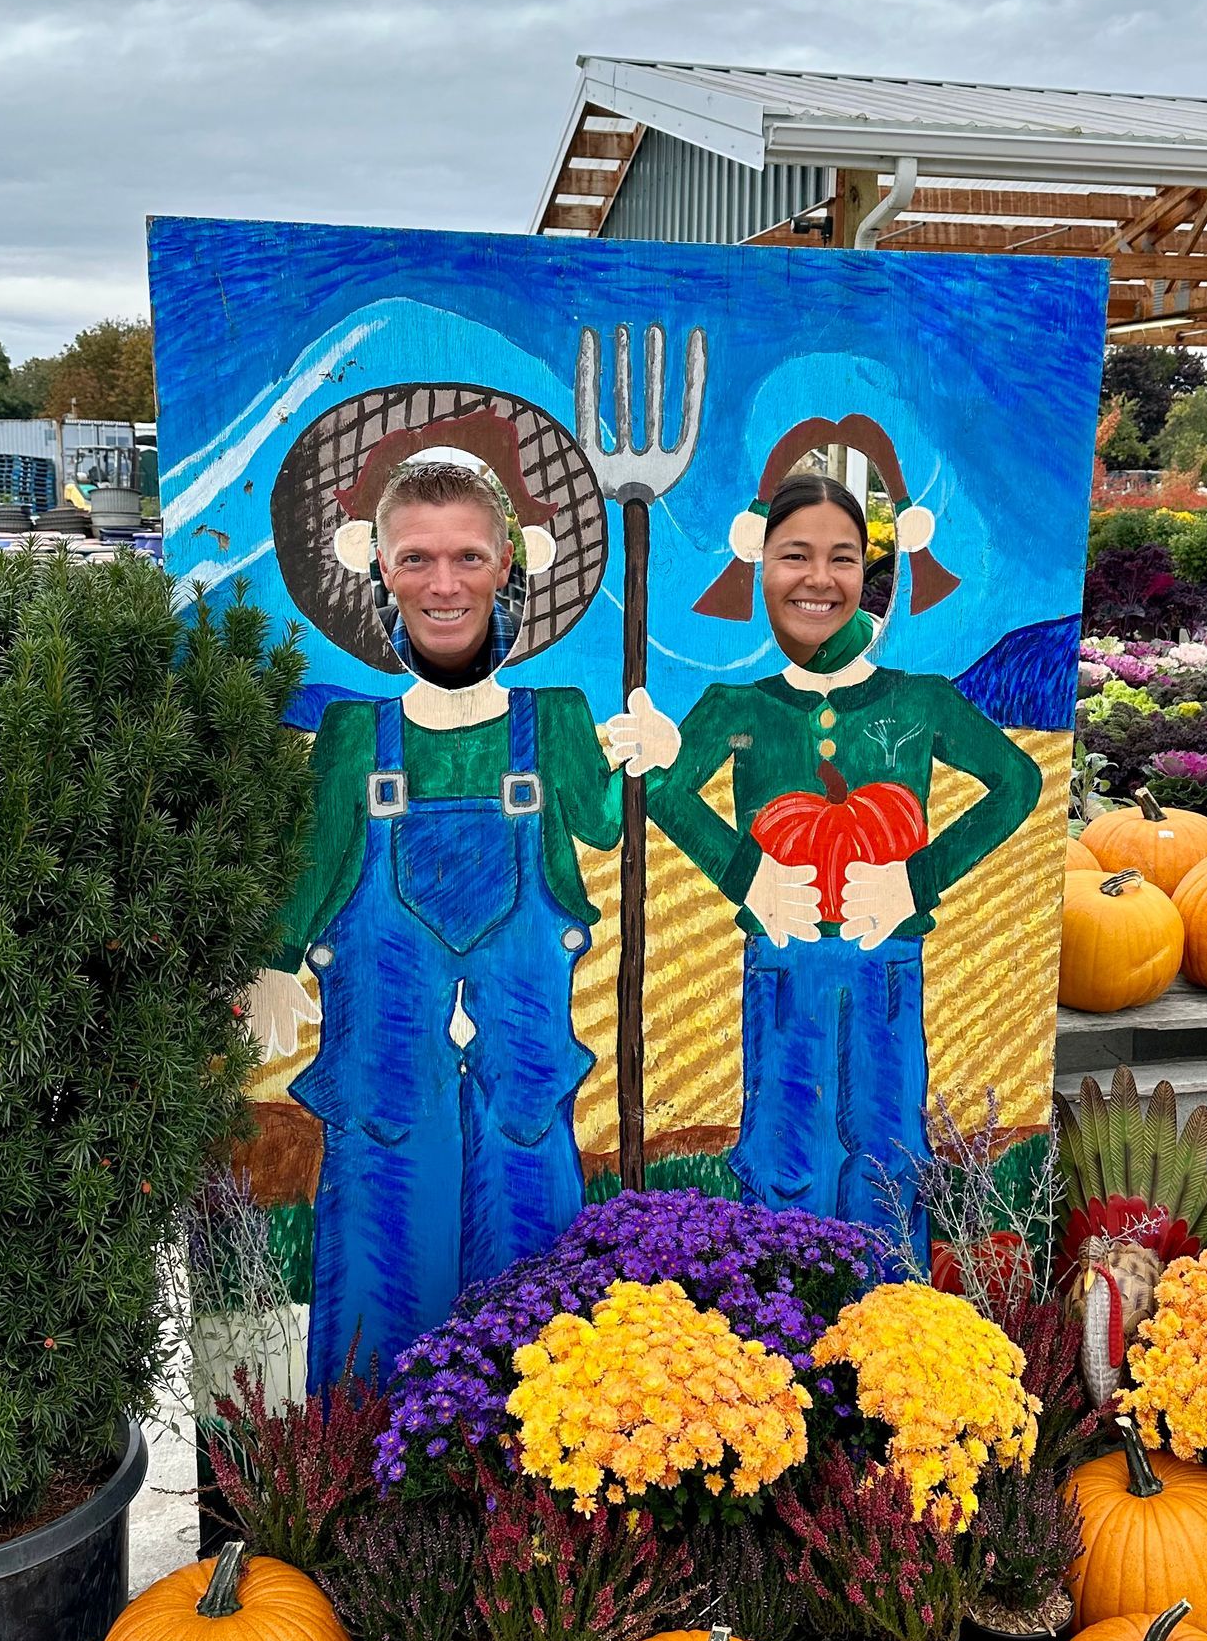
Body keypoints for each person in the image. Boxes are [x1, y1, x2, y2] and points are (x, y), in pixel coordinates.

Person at [244, 444, 627, 1388]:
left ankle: (544, 1464)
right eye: (415, 557)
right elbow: (314, 876)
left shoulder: (560, 720)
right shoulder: (350, 740)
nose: (442, 582)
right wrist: (272, 963)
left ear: (511, 565)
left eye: (468, 556)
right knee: (382, 1252)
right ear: (378, 567)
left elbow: (611, 823)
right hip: (383, 1082)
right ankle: (372, 1468)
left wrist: (651, 747)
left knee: (536, 1275)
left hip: (526, 1089)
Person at [638, 463, 1041, 1266]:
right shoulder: (738, 706)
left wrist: (917, 878)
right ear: (760, 564)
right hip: (779, 968)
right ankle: (784, 1328)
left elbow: (1018, 782)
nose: (818, 578)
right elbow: (664, 793)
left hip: (887, 967)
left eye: (843, 557)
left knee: (888, 1154)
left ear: (872, 570)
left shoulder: (919, 700)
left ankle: (887, 1328)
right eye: (794, 554)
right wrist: (745, 871)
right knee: (782, 1153)